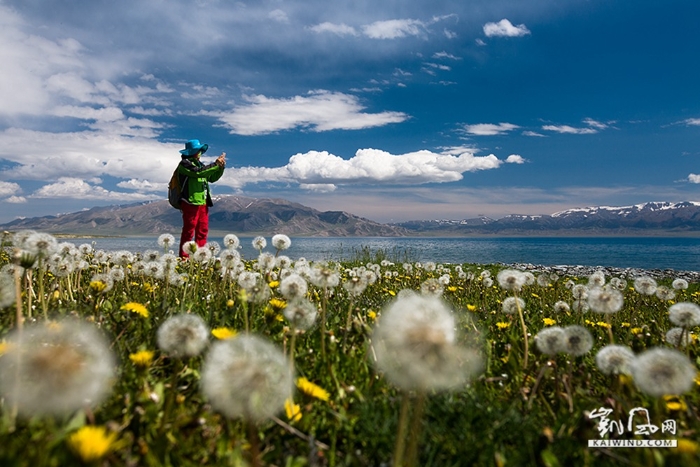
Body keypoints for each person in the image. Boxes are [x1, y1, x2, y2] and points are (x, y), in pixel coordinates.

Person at [176, 139, 226, 258]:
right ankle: (184, 257)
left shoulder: (200, 165)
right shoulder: (184, 164)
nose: (199, 153)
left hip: (203, 202)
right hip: (189, 201)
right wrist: (215, 165)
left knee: (203, 230)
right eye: (198, 150)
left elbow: (211, 177)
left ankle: (201, 256)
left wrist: (220, 168)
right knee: (189, 230)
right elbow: (198, 173)